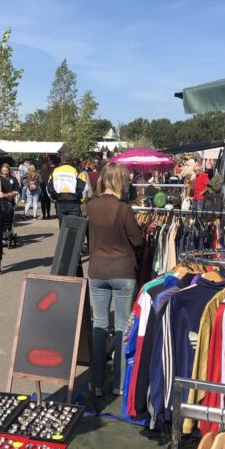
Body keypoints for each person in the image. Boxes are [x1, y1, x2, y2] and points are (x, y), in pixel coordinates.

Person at [86, 162, 143, 397]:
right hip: (122, 271)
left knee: (98, 325)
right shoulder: (123, 209)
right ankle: (119, 384)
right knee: (121, 328)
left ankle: (97, 383)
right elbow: (137, 242)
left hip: (97, 270)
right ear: (121, 181)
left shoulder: (90, 206)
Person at [47, 151, 88, 226]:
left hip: (60, 202)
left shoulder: (55, 171)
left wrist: (54, 199)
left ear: (62, 159)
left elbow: (49, 188)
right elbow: (84, 189)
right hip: (74, 203)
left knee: (63, 228)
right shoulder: (78, 172)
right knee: (74, 228)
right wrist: (81, 200)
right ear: (71, 159)